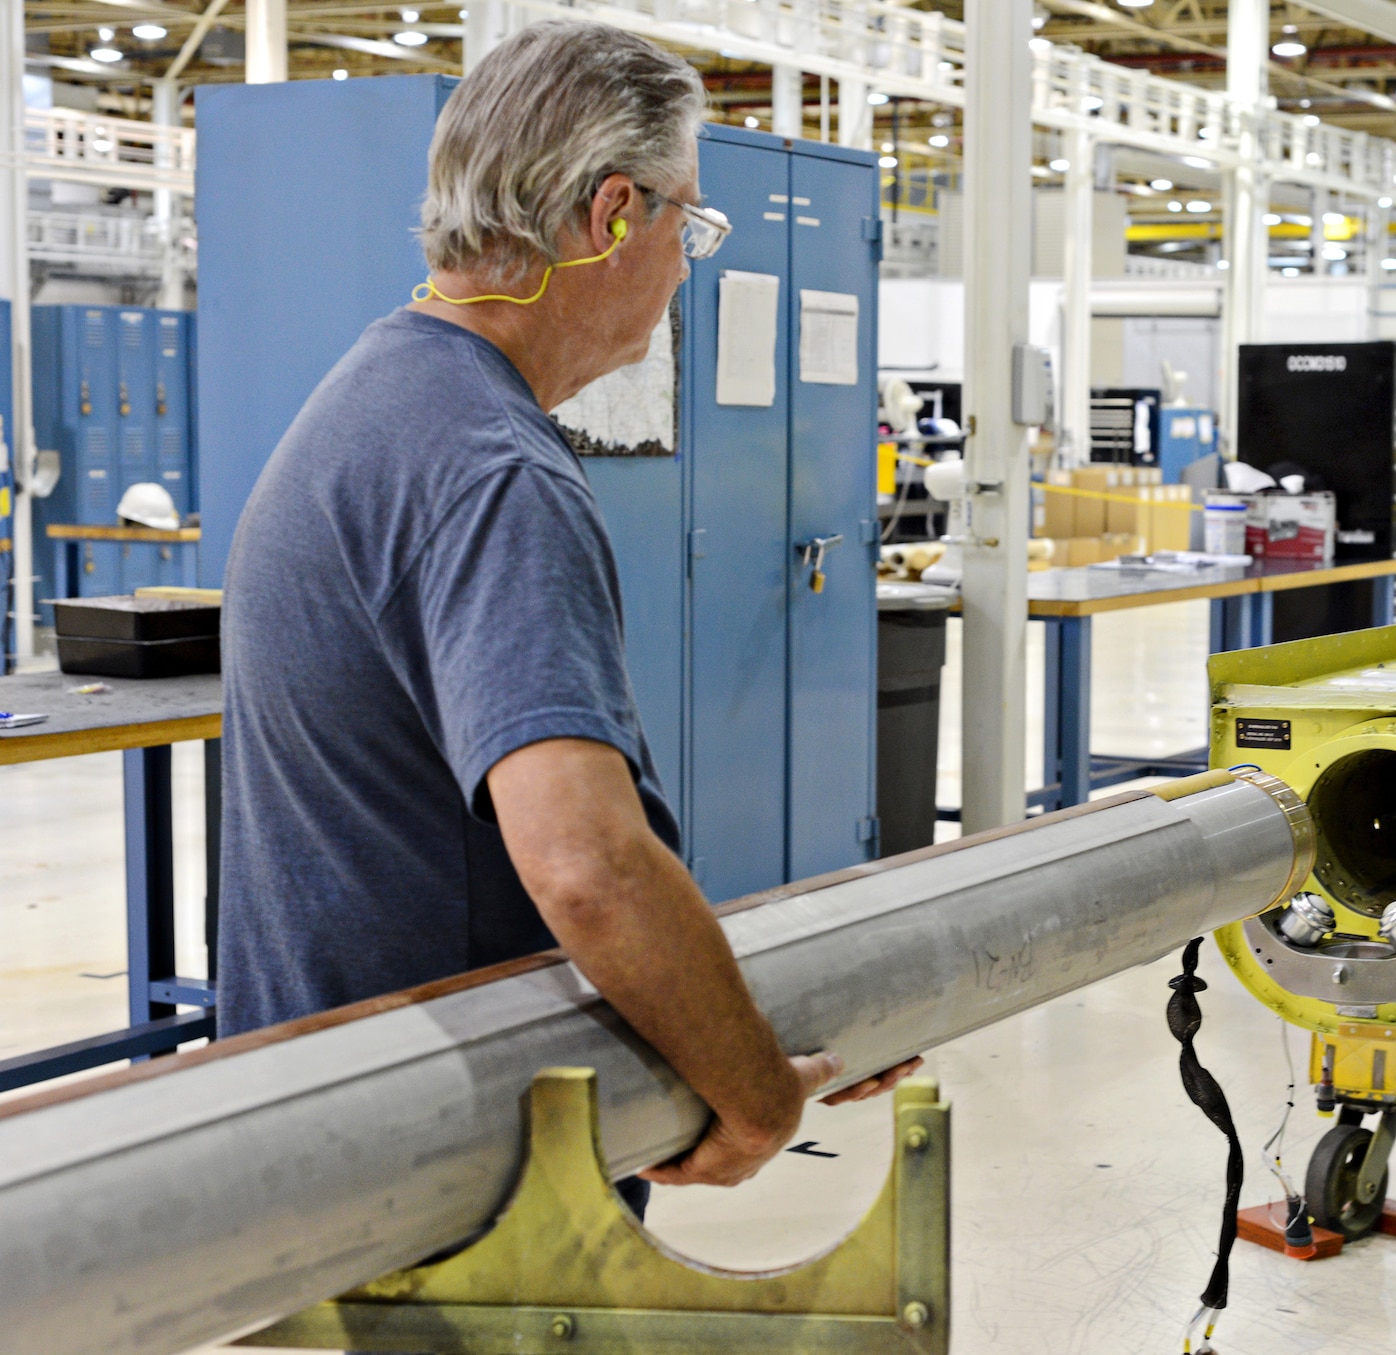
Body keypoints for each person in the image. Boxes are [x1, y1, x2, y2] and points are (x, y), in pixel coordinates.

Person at [217, 19, 916, 1196]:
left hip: (327, 1113)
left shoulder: (378, 395)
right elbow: (587, 863)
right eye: (687, 224)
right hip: (454, 1163)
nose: (687, 263)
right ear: (611, 217)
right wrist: (752, 1098)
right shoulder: (495, 470)